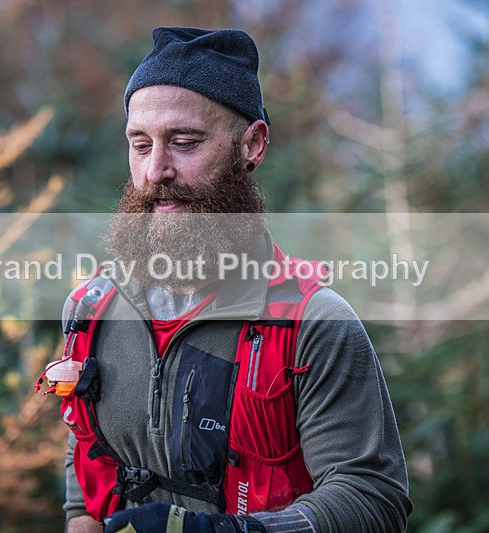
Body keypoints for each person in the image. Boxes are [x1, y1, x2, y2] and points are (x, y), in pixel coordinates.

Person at [59, 27, 412, 532]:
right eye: (140, 145)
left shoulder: (314, 324)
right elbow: (84, 479)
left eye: (184, 143)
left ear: (253, 144)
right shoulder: (88, 311)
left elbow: (374, 501)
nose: (156, 170)